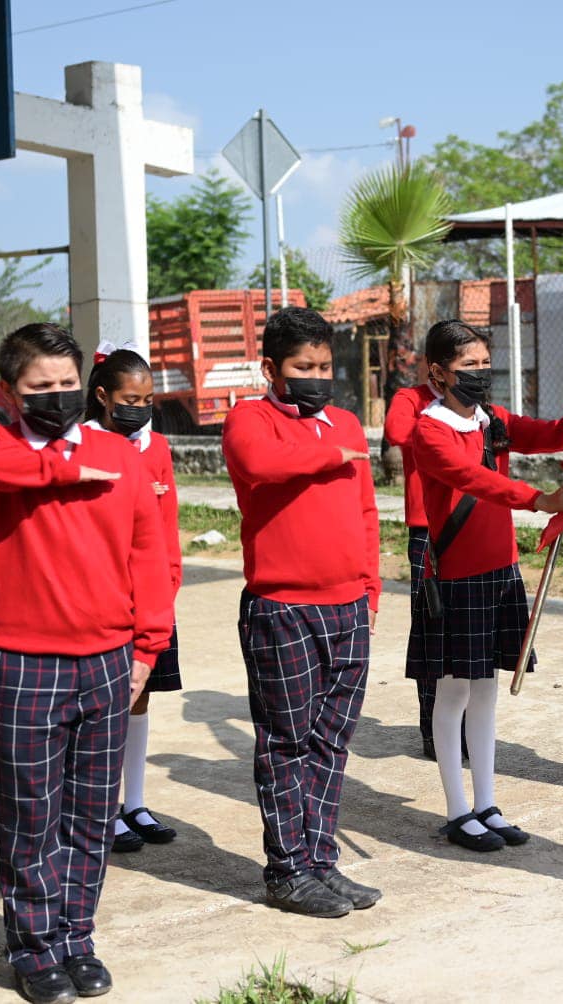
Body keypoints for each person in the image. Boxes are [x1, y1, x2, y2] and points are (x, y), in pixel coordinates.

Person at [0, 322, 172, 1004]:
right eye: (40, 387)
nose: (57, 396)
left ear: (87, 384)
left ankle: (77, 938)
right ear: (10, 392)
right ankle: (35, 949)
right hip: (21, 666)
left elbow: (148, 551)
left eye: (68, 384)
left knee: (90, 813)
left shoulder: (122, 454)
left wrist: (148, 645)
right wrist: (64, 467)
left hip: (107, 660)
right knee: (29, 817)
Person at [221, 306, 383, 919]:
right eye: (302, 367)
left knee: (332, 743)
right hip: (282, 608)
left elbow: (366, 511)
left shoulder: (343, 422)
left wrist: (371, 588)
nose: (317, 376)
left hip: (347, 605)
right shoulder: (249, 419)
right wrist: (332, 455)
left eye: (324, 365)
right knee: (285, 743)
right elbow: (261, 465)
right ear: (272, 369)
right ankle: (287, 870)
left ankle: (320, 861)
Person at [410, 320, 563, 854]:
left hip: (499, 570)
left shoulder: (494, 421)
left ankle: (487, 803)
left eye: (486, 364)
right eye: (468, 367)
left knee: (486, 690)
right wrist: (539, 499)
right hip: (456, 574)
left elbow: (551, 432)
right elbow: (474, 480)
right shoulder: (429, 430)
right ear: (437, 373)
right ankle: (458, 809)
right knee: (454, 690)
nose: (481, 375)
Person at [82, 346, 184, 856]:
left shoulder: (157, 447)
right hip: (105, 595)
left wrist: (168, 585)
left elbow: (168, 525)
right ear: (102, 397)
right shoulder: (84, 446)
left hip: (151, 597)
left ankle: (134, 803)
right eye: (130, 398)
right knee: (108, 705)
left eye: (147, 399)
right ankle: (102, 810)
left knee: (140, 699)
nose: (140, 408)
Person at [383, 352, 444, 760]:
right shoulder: (411, 399)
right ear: (435, 367)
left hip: (473, 526)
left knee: (467, 633)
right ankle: (432, 727)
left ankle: (460, 725)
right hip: (428, 531)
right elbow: (396, 431)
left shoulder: (479, 405)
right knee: (430, 626)